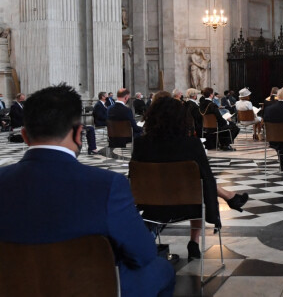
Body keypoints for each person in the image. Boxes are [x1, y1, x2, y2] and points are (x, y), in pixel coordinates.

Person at [0, 84, 175, 297]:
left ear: (25, 136)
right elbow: (143, 254)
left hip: (15, 287)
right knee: (162, 269)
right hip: (90, 288)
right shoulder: (108, 185)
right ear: (79, 134)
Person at [131, 96, 248, 262]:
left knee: (194, 184)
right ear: (181, 118)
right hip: (187, 204)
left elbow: (136, 176)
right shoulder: (192, 144)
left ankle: (230, 197)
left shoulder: (141, 143)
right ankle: (194, 241)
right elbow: (206, 177)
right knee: (199, 184)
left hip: (151, 204)